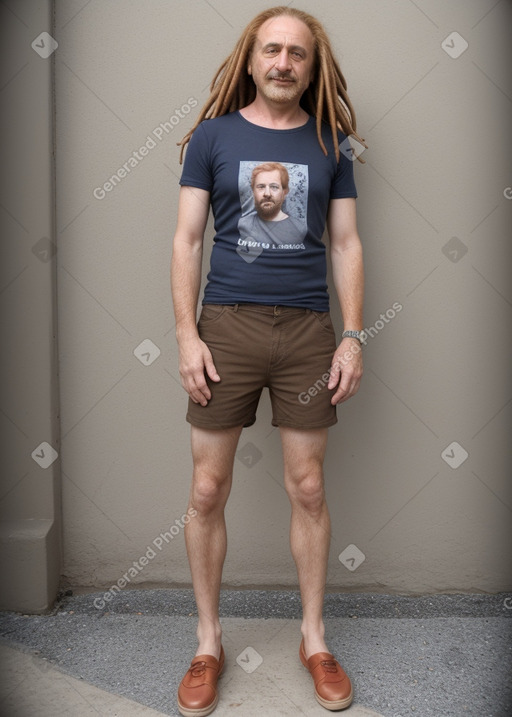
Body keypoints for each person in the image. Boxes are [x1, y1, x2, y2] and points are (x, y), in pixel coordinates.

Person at [171, 6, 366, 715]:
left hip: (309, 333)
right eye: (272, 50)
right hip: (224, 327)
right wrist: (187, 335)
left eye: (298, 54)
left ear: (312, 68)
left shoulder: (332, 143)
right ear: (252, 60)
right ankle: (207, 642)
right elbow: (188, 240)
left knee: (308, 487)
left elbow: (345, 244)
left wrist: (352, 335)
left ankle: (314, 639)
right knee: (205, 491)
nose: (284, 62)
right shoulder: (210, 139)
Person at [238, 162, 306, 248]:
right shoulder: (244, 224)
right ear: (253, 192)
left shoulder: (299, 228)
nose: (267, 194)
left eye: (274, 187)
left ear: (284, 192)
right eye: (261, 187)